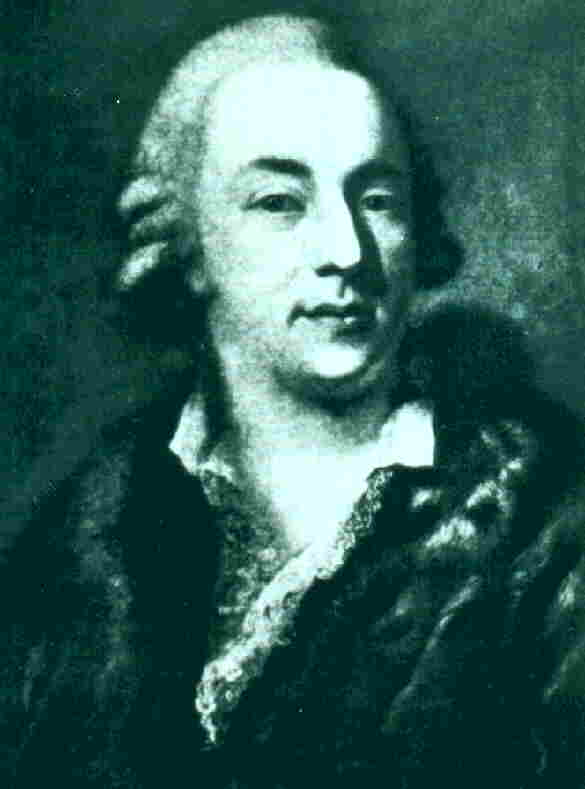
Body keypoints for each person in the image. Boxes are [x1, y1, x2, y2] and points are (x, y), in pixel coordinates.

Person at [2, 12, 585, 789]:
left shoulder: (549, 526)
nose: (346, 251)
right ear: (187, 241)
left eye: (378, 199)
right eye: (279, 200)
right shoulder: (83, 538)